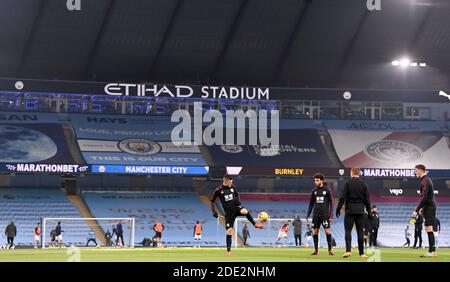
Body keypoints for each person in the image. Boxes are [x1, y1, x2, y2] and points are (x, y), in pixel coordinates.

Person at [210, 175, 263, 256]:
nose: (232, 183)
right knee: (229, 231)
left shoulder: (233, 187)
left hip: (236, 209)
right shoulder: (218, 190)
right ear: (225, 181)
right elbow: (212, 201)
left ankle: (254, 224)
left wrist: (238, 201)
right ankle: (228, 251)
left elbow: (237, 195)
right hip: (228, 214)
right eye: (230, 182)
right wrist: (214, 211)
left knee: (245, 211)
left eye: (232, 182)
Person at [336, 167, 371, 258]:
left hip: (349, 211)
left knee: (348, 231)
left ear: (352, 173)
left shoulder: (348, 183)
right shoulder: (363, 184)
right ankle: (362, 253)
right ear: (359, 173)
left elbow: (342, 197)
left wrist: (338, 208)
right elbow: (367, 200)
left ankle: (348, 251)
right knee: (360, 232)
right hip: (360, 211)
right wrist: (369, 211)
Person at [411, 164, 437, 257]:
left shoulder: (425, 181)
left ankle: (432, 252)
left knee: (429, 228)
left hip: (430, 207)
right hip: (428, 207)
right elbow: (425, 197)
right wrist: (422, 208)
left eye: (416, 170)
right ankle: (433, 251)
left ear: (421, 170)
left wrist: (416, 210)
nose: (415, 172)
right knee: (428, 228)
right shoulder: (425, 180)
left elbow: (424, 197)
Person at [306, 173, 334, 255]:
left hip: (325, 215)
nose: (315, 182)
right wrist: (308, 214)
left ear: (321, 180)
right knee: (315, 232)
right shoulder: (314, 191)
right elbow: (311, 204)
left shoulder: (327, 190)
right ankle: (316, 251)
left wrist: (331, 215)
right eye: (315, 180)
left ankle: (330, 250)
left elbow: (331, 203)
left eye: (317, 180)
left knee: (328, 232)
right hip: (316, 215)